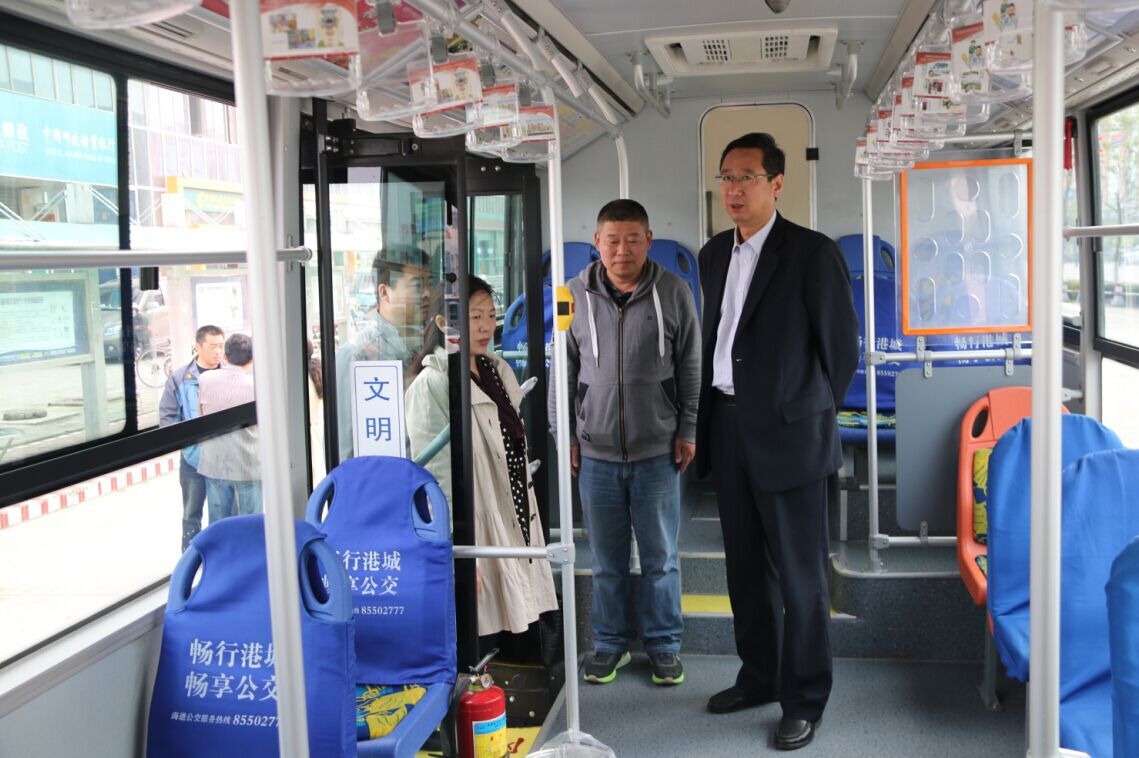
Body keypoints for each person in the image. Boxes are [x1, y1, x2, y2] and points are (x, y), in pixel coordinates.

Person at [696, 133, 859, 750]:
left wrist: (803, 412)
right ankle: (760, 676)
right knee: (744, 570)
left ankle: (805, 698)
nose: (734, 189)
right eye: (726, 177)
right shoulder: (714, 253)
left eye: (747, 177)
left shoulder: (811, 253)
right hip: (729, 425)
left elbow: (841, 351)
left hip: (791, 435)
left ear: (777, 184)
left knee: (800, 578)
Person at [550, 199, 701, 687]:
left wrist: (688, 428)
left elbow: (691, 364)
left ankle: (664, 644)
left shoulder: (675, 291)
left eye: (633, 239)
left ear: (648, 241)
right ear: (597, 242)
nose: (622, 250)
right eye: (612, 240)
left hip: (657, 449)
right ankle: (609, 643)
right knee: (606, 561)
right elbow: (561, 370)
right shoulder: (570, 294)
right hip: (595, 453)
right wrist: (564, 435)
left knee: (661, 559)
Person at [406, 275, 559, 653]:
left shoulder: (496, 370)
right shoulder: (433, 384)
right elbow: (436, 477)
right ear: (443, 322)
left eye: (491, 315)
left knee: (513, 620)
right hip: (476, 526)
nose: (486, 326)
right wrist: (459, 552)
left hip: (513, 514)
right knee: (482, 628)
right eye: (474, 317)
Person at [336, 245, 431, 460]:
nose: (427, 294)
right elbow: (346, 446)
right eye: (418, 285)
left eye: (429, 284)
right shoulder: (358, 356)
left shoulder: (426, 344)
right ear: (385, 292)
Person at [159, 324, 225, 551]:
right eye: (213, 346)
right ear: (198, 346)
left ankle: (219, 559)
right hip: (193, 459)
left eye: (221, 346)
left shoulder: (230, 375)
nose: (218, 351)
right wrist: (188, 445)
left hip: (225, 458)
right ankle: (190, 560)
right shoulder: (180, 378)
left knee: (223, 513)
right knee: (191, 513)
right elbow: (167, 418)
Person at [197, 333, 262, 520]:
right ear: (252, 359)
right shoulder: (257, 385)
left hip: (215, 462)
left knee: (219, 522)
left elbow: (201, 414)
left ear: (225, 356)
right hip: (249, 464)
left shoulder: (205, 379)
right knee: (252, 522)